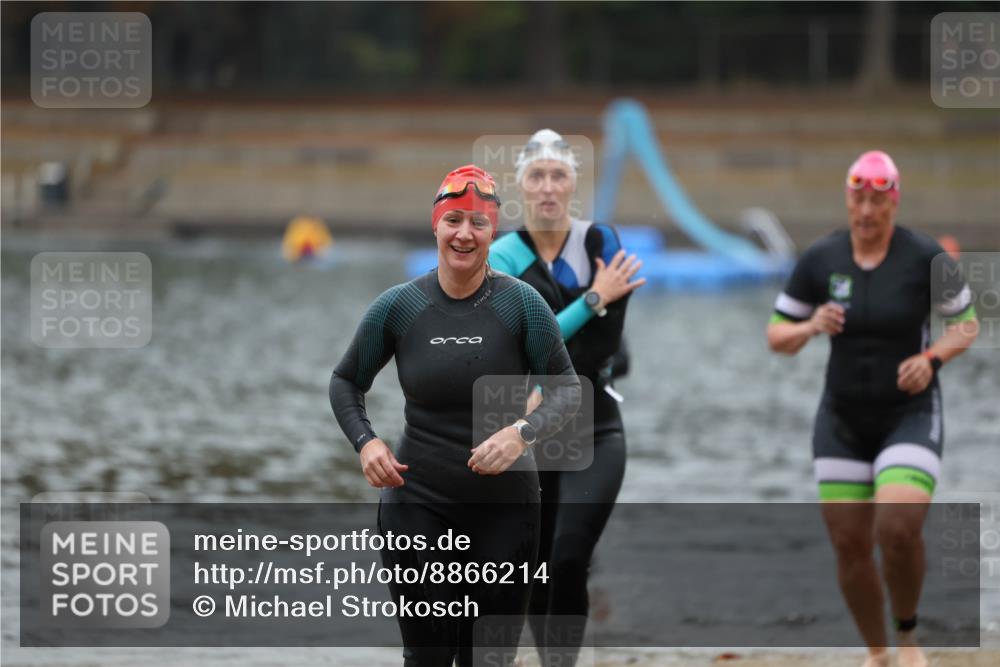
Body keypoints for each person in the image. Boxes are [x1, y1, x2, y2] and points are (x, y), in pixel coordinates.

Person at [330, 165, 581, 667]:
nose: (464, 234)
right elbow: (345, 382)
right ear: (436, 225)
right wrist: (367, 442)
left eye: (478, 223)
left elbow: (568, 390)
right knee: (426, 658)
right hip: (416, 505)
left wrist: (522, 432)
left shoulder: (521, 306)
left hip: (505, 512)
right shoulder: (399, 308)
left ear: (493, 232)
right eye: (454, 221)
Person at [767, 150, 979, 667]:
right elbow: (776, 335)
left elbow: (967, 324)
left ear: (894, 201)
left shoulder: (924, 256)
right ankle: (877, 651)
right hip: (841, 418)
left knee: (897, 528)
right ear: (847, 200)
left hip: (909, 412)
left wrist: (931, 359)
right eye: (857, 199)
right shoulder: (821, 259)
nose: (866, 211)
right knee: (849, 545)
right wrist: (811, 325)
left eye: (877, 201)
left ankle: (908, 637)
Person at [489, 130, 645, 666]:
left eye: (559, 176)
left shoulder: (600, 241)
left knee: (569, 555)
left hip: (595, 424)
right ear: (521, 187)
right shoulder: (501, 255)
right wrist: (594, 298)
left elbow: (597, 349)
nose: (548, 187)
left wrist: (577, 319)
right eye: (538, 177)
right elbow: (515, 343)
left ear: (573, 185)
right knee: (533, 563)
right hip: (527, 432)